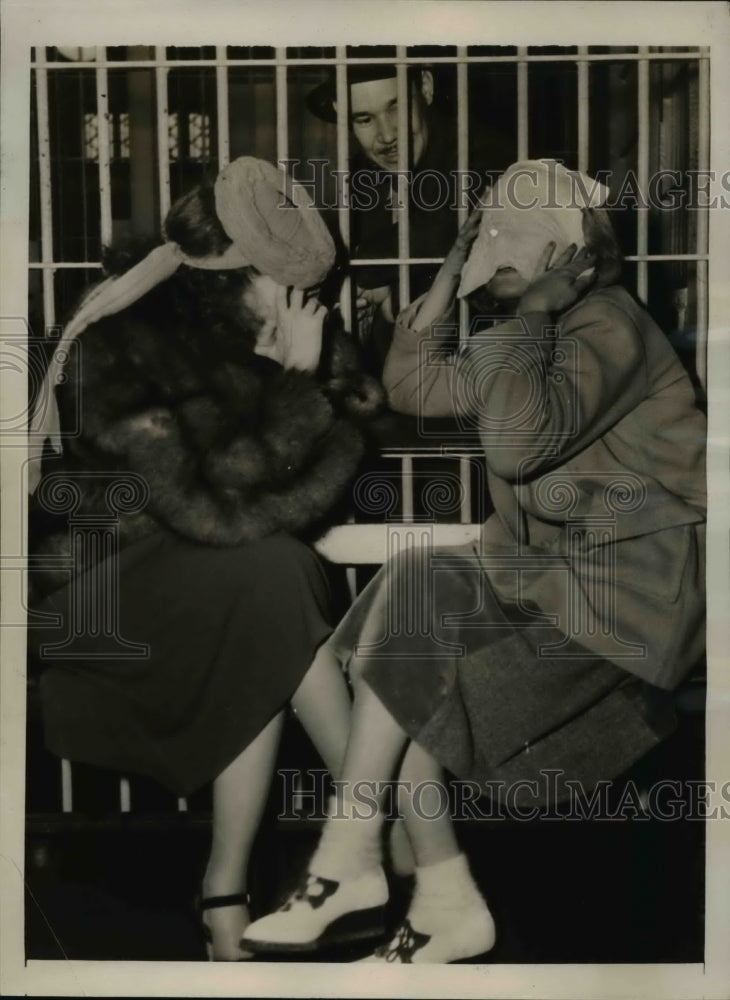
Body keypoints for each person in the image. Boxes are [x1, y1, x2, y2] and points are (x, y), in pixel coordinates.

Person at [239, 160, 706, 963]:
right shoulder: (548, 326)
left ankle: (380, 871)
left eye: (516, 244)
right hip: (553, 577)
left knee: (415, 668)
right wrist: (454, 275)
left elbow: (520, 447)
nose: (499, 255)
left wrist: (529, 307)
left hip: (630, 596)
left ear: (572, 255)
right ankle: (413, 882)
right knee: (414, 613)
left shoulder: (610, 326)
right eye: (491, 239)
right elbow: (415, 385)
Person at [26, 156, 386, 961]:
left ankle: (239, 893)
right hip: (96, 587)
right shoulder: (127, 341)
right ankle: (374, 840)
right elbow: (210, 508)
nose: (308, 304)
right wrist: (291, 380)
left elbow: (323, 485)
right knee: (269, 583)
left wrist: (307, 372)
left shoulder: (270, 323)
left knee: (269, 589)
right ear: (233, 271)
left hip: (202, 570)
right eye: (287, 282)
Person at [306, 57, 513, 372]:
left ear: (426, 89)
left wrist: (367, 275)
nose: (387, 135)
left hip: (486, 369)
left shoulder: (484, 149)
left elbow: (454, 225)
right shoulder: (363, 173)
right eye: (364, 119)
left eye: (396, 107)